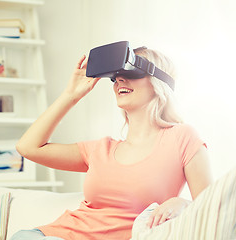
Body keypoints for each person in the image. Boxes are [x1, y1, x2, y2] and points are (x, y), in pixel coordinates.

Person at [11, 45, 213, 240]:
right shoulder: (100, 149)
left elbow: (212, 209)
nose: (119, 80)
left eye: (131, 72)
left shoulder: (182, 138)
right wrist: (71, 95)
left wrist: (185, 204)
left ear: (158, 82)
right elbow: (27, 147)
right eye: (115, 77)